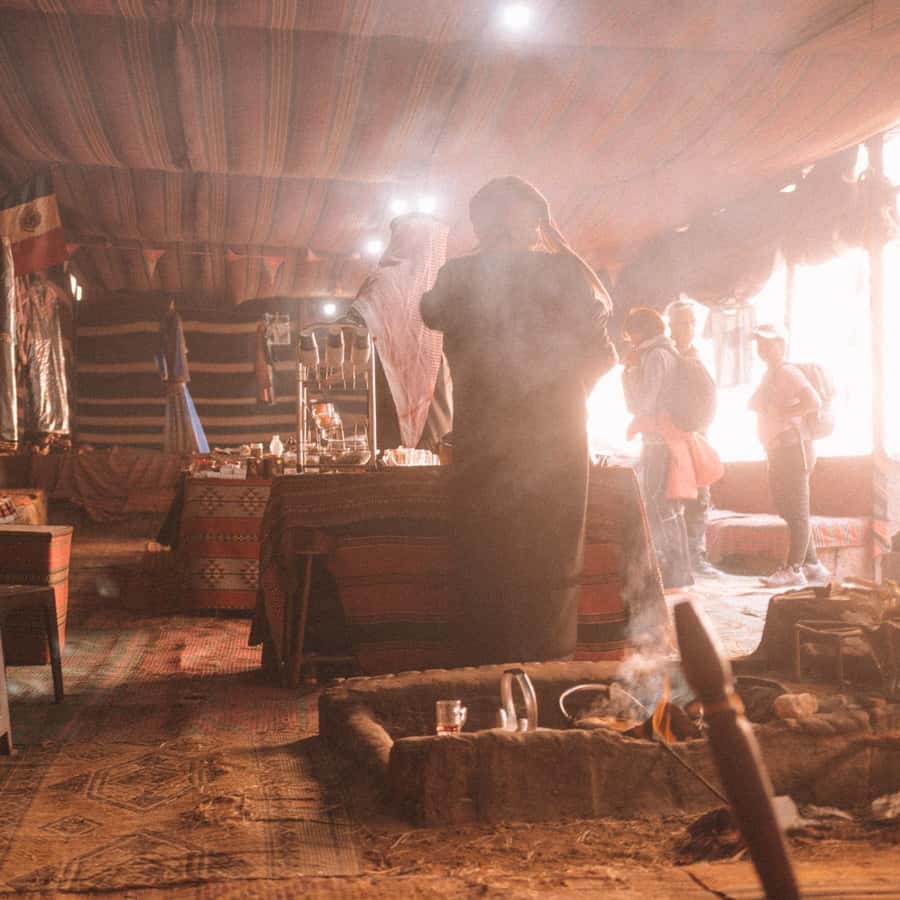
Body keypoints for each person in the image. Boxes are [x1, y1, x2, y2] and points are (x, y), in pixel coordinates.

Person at [420, 176, 618, 665]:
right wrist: (565, 394)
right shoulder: (568, 273)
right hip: (558, 436)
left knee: (485, 548)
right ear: (536, 223)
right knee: (550, 552)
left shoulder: (457, 275)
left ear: (479, 225)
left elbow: (430, 313)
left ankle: (481, 665)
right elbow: (602, 356)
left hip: (482, 434)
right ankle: (548, 661)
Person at [348, 214, 452, 452]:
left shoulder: (385, 281)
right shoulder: (384, 281)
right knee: (403, 455)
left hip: (428, 386)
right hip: (393, 387)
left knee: (428, 451)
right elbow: (356, 326)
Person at [749, 323, 830, 587]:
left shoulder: (787, 372)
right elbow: (753, 403)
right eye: (759, 343)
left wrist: (783, 414)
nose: (762, 348)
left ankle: (794, 569)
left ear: (781, 345)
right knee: (788, 508)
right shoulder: (771, 374)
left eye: (768, 342)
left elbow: (814, 402)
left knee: (797, 512)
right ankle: (812, 565)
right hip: (779, 451)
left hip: (793, 450)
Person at [622, 307, 694, 589]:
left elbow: (643, 404)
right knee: (669, 506)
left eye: (630, 334)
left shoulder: (654, 357)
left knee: (658, 505)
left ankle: (672, 574)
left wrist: (631, 370)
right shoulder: (669, 352)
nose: (629, 341)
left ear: (640, 332)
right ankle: (679, 574)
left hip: (658, 442)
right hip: (667, 439)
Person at [665, 298, 721, 577]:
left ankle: (696, 558)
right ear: (670, 325)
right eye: (680, 323)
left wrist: (698, 428)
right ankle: (677, 561)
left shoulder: (697, 358)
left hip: (696, 435)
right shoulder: (664, 357)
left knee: (699, 496)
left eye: (690, 323)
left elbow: (708, 399)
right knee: (673, 498)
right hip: (669, 437)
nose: (686, 328)